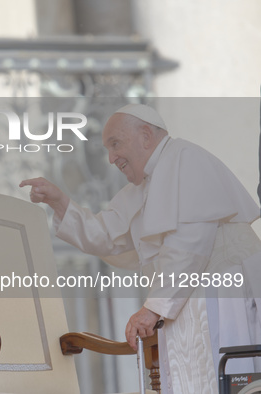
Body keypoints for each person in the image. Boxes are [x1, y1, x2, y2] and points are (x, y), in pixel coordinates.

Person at [20, 104, 261, 393]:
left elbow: (188, 246)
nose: (111, 158)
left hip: (223, 302)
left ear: (146, 136)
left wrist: (152, 309)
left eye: (115, 144)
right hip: (185, 305)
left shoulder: (186, 159)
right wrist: (59, 202)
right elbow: (106, 235)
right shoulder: (143, 186)